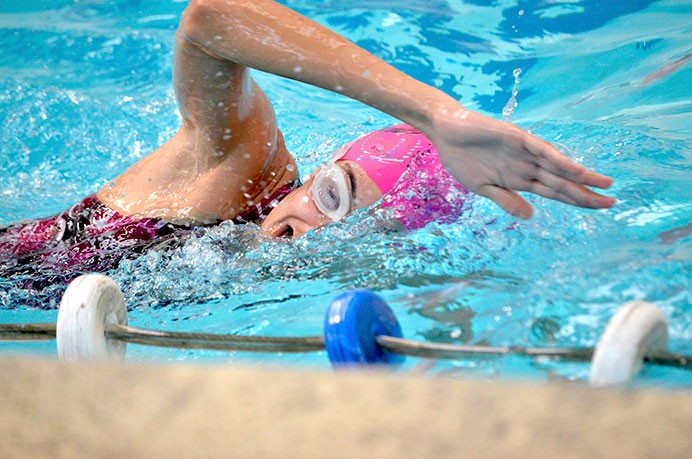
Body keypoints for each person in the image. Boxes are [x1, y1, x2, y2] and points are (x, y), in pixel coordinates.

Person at [0, 0, 615, 279]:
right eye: (329, 194)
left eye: (356, 232)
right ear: (323, 166)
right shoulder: (244, 171)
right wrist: (434, 115)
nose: (306, 229)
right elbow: (209, 19)